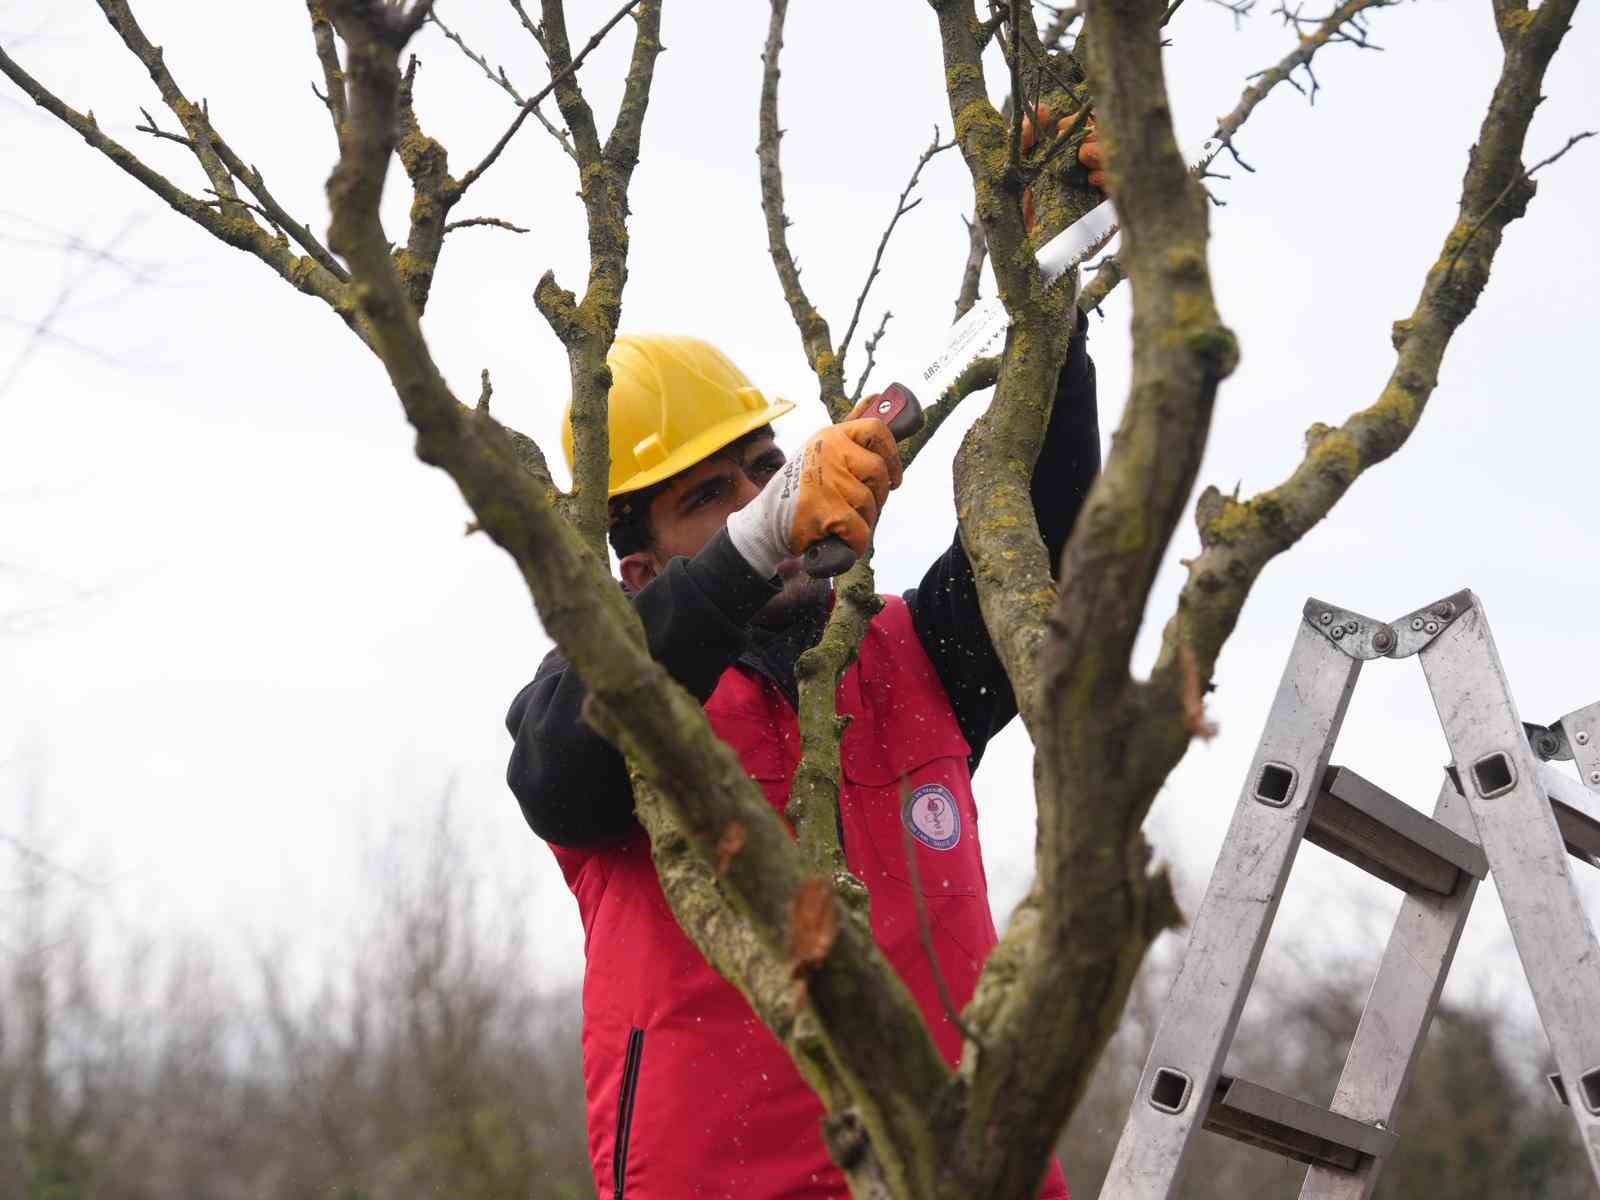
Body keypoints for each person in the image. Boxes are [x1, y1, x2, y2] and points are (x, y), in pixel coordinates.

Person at [507, 123, 1103, 1200]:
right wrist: (760, 536)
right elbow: (558, 773)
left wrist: (1046, 289)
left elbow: (1043, 536)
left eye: (765, 468)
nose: (761, 500)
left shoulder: (910, 658)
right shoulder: (614, 699)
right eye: (711, 496)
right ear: (641, 568)